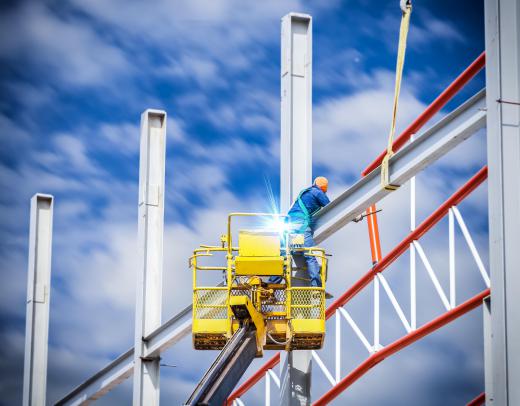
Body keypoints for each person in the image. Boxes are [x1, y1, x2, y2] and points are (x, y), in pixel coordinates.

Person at [270, 176, 330, 288]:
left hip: (286, 225)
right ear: (324, 188)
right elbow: (330, 206)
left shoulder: (304, 192)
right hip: (300, 225)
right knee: (310, 255)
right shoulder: (318, 192)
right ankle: (316, 286)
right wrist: (354, 217)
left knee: (283, 255)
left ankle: (272, 283)